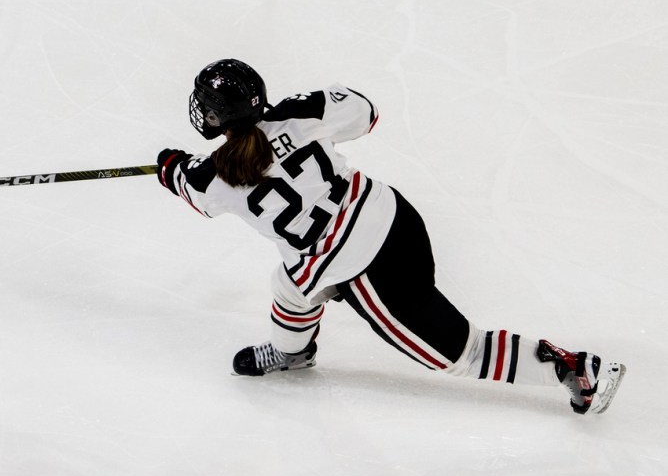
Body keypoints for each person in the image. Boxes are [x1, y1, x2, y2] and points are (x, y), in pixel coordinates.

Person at [156, 58, 625, 415]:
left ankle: (575, 368)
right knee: (292, 284)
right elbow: (365, 112)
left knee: (460, 353)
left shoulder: (212, 178)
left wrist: (169, 163)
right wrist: (288, 117)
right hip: (395, 218)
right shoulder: (302, 115)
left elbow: (185, 182)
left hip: (364, 271)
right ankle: (292, 352)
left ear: (217, 116)